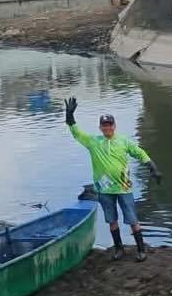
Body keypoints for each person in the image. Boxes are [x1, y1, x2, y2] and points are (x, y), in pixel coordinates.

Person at [64, 98, 157, 262]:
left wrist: (151, 166)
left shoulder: (123, 141)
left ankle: (141, 249)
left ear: (114, 126)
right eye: (104, 125)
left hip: (123, 188)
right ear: (100, 127)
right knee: (112, 220)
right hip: (104, 189)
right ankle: (119, 248)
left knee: (133, 220)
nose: (107, 127)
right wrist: (69, 116)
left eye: (109, 124)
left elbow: (139, 152)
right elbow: (76, 133)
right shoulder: (93, 142)